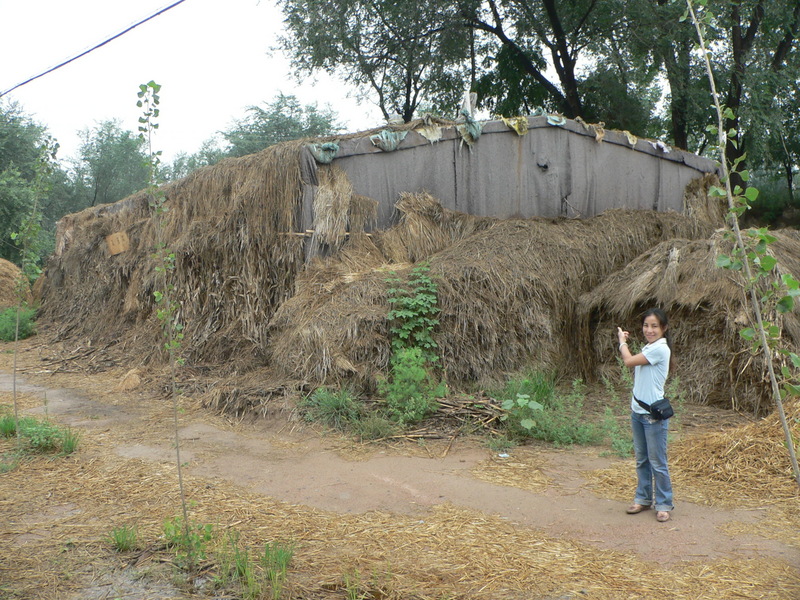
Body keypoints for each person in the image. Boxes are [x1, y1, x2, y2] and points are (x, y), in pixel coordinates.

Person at [616, 308, 674, 523]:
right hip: (638, 413)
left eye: (654, 326)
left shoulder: (660, 349)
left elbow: (628, 362)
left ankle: (664, 503)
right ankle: (643, 498)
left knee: (657, 462)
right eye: (646, 326)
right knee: (642, 460)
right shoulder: (649, 347)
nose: (649, 330)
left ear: (664, 329)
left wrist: (622, 342)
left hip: (652, 416)